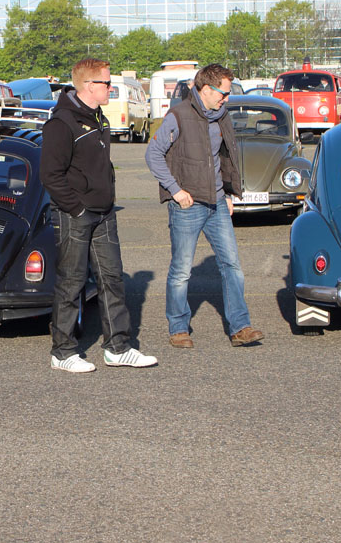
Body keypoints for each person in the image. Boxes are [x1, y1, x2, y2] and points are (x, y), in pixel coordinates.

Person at [41, 58, 157, 373]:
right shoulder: (62, 123)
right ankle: (63, 352)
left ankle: (118, 348)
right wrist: (77, 208)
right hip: (75, 214)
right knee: (72, 282)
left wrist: (107, 200)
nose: (110, 88)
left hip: (104, 213)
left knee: (112, 279)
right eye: (106, 83)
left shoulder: (98, 118)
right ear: (89, 85)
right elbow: (50, 175)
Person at [145, 63, 264, 348]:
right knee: (181, 270)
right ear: (206, 89)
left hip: (217, 203)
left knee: (232, 265)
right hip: (187, 205)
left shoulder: (221, 116)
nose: (227, 99)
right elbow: (153, 154)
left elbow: (224, 157)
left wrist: (227, 193)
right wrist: (175, 191)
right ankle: (178, 328)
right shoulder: (178, 116)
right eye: (224, 93)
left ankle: (240, 327)